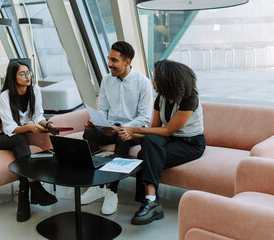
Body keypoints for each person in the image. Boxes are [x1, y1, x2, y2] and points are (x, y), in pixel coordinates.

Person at [119, 60, 206, 225]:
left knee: (144, 155)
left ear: (168, 81)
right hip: (170, 140)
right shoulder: (161, 99)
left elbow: (167, 130)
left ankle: (150, 201)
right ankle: (151, 200)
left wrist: (135, 130)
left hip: (191, 143)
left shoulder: (189, 99)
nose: (152, 82)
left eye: (155, 79)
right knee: (149, 144)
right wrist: (130, 135)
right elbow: (155, 130)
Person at [81, 41, 153, 215]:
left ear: (127, 62)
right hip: (110, 127)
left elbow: (144, 117)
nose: (109, 64)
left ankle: (112, 191)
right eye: (108, 59)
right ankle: (97, 186)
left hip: (133, 130)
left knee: (122, 135)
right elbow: (103, 109)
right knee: (89, 132)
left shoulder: (143, 83)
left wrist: (123, 128)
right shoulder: (106, 80)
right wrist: (98, 121)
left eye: (114, 60)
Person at [0, 61, 57, 222]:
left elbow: (38, 116)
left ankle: (25, 195)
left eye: (29, 73)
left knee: (21, 139)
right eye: (22, 74)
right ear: (13, 77)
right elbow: (9, 128)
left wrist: (48, 124)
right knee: (20, 137)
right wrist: (29, 127)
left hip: (19, 136)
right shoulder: (5, 95)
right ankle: (34, 188)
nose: (28, 77)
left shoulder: (35, 90)